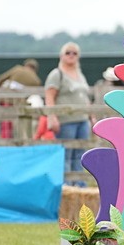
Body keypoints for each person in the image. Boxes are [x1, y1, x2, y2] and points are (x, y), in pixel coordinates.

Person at [45, 42, 93, 177]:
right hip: (66, 121)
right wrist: (52, 117)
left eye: (75, 53)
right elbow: (49, 96)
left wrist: (91, 116)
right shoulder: (56, 74)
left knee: (80, 155)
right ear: (61, 55)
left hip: (83, 120)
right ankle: (67, 186)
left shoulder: (80, 74)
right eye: (68, 52)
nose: (71, 55)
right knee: (66, 155)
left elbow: (85, 97)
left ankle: (79, 186)